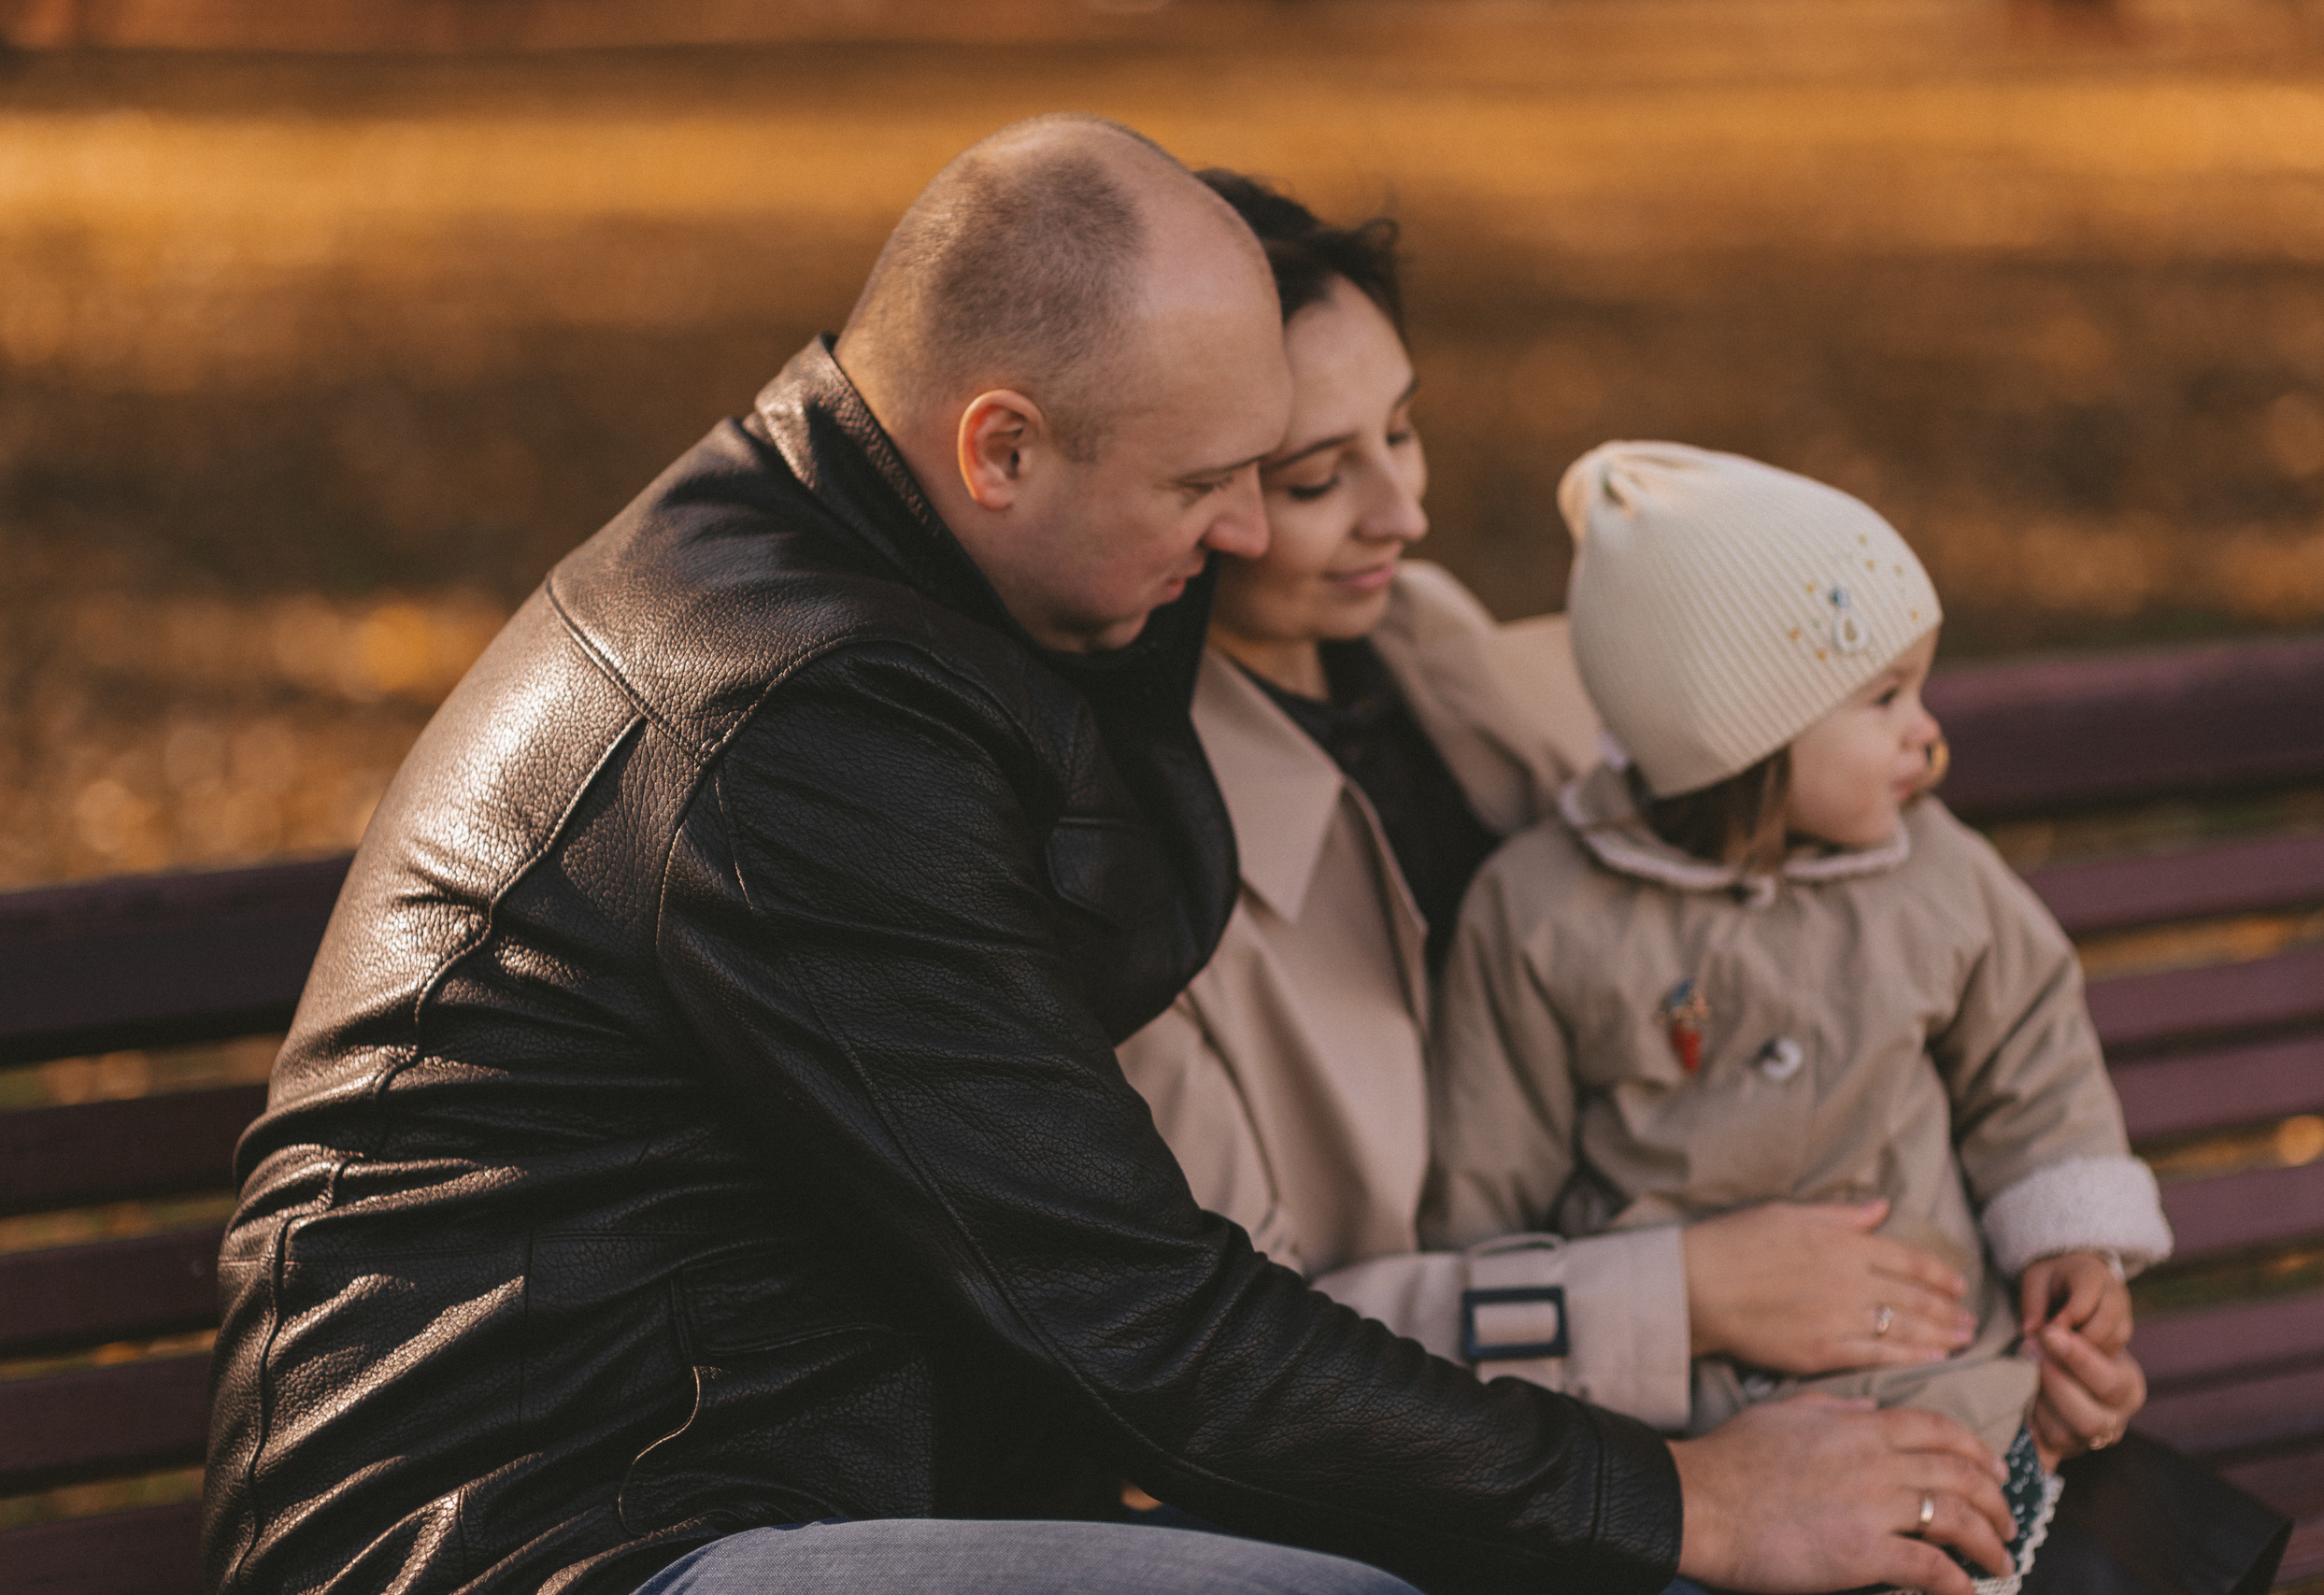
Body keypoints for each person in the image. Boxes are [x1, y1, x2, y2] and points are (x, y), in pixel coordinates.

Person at [203, 117, 2015, 1595]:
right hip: (553, 1534)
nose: (1240, 536)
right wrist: (1682, 1498)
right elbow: (1131, 1310)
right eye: (1205, 485)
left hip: (782, 1468)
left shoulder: (915, 591)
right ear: (998, 447)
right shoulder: (796, 728)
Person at [1117, 174, 2062, 1443]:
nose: (1406, 510)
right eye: (1313, 480)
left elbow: (1830, 962)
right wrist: (1682, 1295)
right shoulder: (1145, 874)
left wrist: (2043, 1305)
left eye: (1399, 431)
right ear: (1191, 492)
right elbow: (1235, 1347)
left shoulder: (1447, 650)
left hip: (1852, 1378)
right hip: (1481, 1472)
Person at [1425, 442, 2176, 1591]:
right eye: (1884, 699)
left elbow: (2030, 1056)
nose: (1929, 735)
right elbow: (1490, 1191)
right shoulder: (1540, 916)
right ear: (1740, 734)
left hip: (1948, 1379)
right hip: (1691, 1432)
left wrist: (2070, 1240)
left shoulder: (1936, 873)